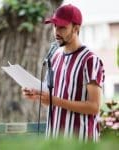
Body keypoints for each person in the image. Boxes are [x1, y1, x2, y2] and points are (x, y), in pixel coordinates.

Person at [22, 4, 105, 142]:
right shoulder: (55, 57)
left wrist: (55, 101)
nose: (56, 32)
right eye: (55, 26)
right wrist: (36, 94)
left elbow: (95, 107)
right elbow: (50, 101)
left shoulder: (90, 60)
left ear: (76, 29)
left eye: (62, 27)